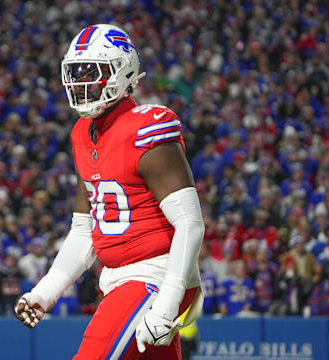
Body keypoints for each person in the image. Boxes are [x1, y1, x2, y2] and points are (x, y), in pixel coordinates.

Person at [14, 24, 205, 360]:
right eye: (76, 73)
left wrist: (170, 297)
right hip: (117, 279)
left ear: (123, 72)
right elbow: (85, 228)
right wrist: (46, 290)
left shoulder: (147, 126)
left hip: (155, 275)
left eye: (93, 73)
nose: (81, 83)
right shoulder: (81, 134)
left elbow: (190, 223)